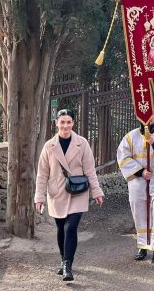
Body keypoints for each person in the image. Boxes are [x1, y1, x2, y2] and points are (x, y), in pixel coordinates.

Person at [34, 109, 104, 281]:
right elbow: (42, 174)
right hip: (57, 192)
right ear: (56, 123)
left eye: (69, 122)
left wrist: (96, 191)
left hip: (78, 191)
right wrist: (39, 197)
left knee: (70, 227)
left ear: (73, 123)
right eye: (62, 122)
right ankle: (63, 259)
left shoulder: (82, 143)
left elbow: (90, 170)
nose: (65, 125)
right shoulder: (49, 146)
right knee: (60, 228)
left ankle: (67, 265)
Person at [117, 113, 154, 264]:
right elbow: (123, 158)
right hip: (139, 182)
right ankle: (143, 246)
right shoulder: (130, 137)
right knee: (140, 213)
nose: (148, 118)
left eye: (151, 115)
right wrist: (141, 171)